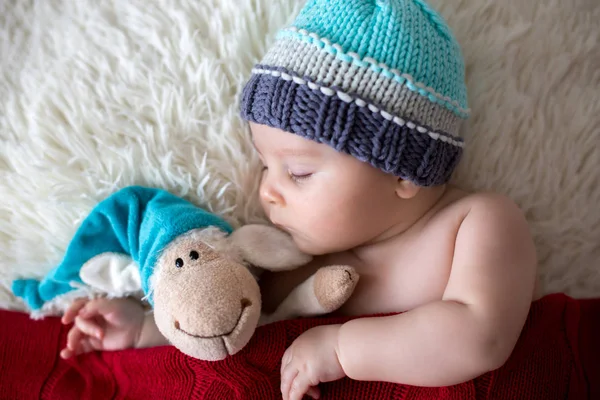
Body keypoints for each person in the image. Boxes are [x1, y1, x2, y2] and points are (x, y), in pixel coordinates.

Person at [60, 1, 542, 399]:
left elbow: (480, 336)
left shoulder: (475, 223)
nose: (267, 190)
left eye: (298, 172)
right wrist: (140, 329)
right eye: (267, 166)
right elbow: (234, 324)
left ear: (402, 171)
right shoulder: (299, 262)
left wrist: (340, 349)